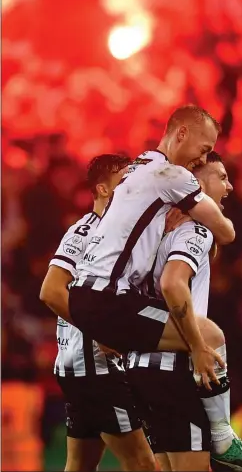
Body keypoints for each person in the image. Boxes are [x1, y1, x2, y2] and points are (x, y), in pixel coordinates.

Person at [126, 152, 242, 472]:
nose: (230, 186)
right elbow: (173, 284)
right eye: (222, 177)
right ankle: (224, 438)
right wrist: (197, 346)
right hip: (175, 368)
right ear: (195, 184)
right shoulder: (194, 230)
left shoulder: (148, 229)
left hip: (140, 367)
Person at [69, 104, 235, 391]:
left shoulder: (139, 166)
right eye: (204, 148)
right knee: (208, 334)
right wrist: (196, 348)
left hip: (86, 295)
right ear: (182, 133)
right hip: (108, 299)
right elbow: (226, 231)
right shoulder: (173, 176)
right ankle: (221, 431)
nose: (203, 158)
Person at [40, 154, 156, 472]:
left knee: (80, 464)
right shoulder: (87, 231)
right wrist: (100, 330)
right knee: (143, 463)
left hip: (82, 367)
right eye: (124, 182)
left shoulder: (120, 232)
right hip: (94, 367)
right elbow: (50, 291)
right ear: (103, 190)